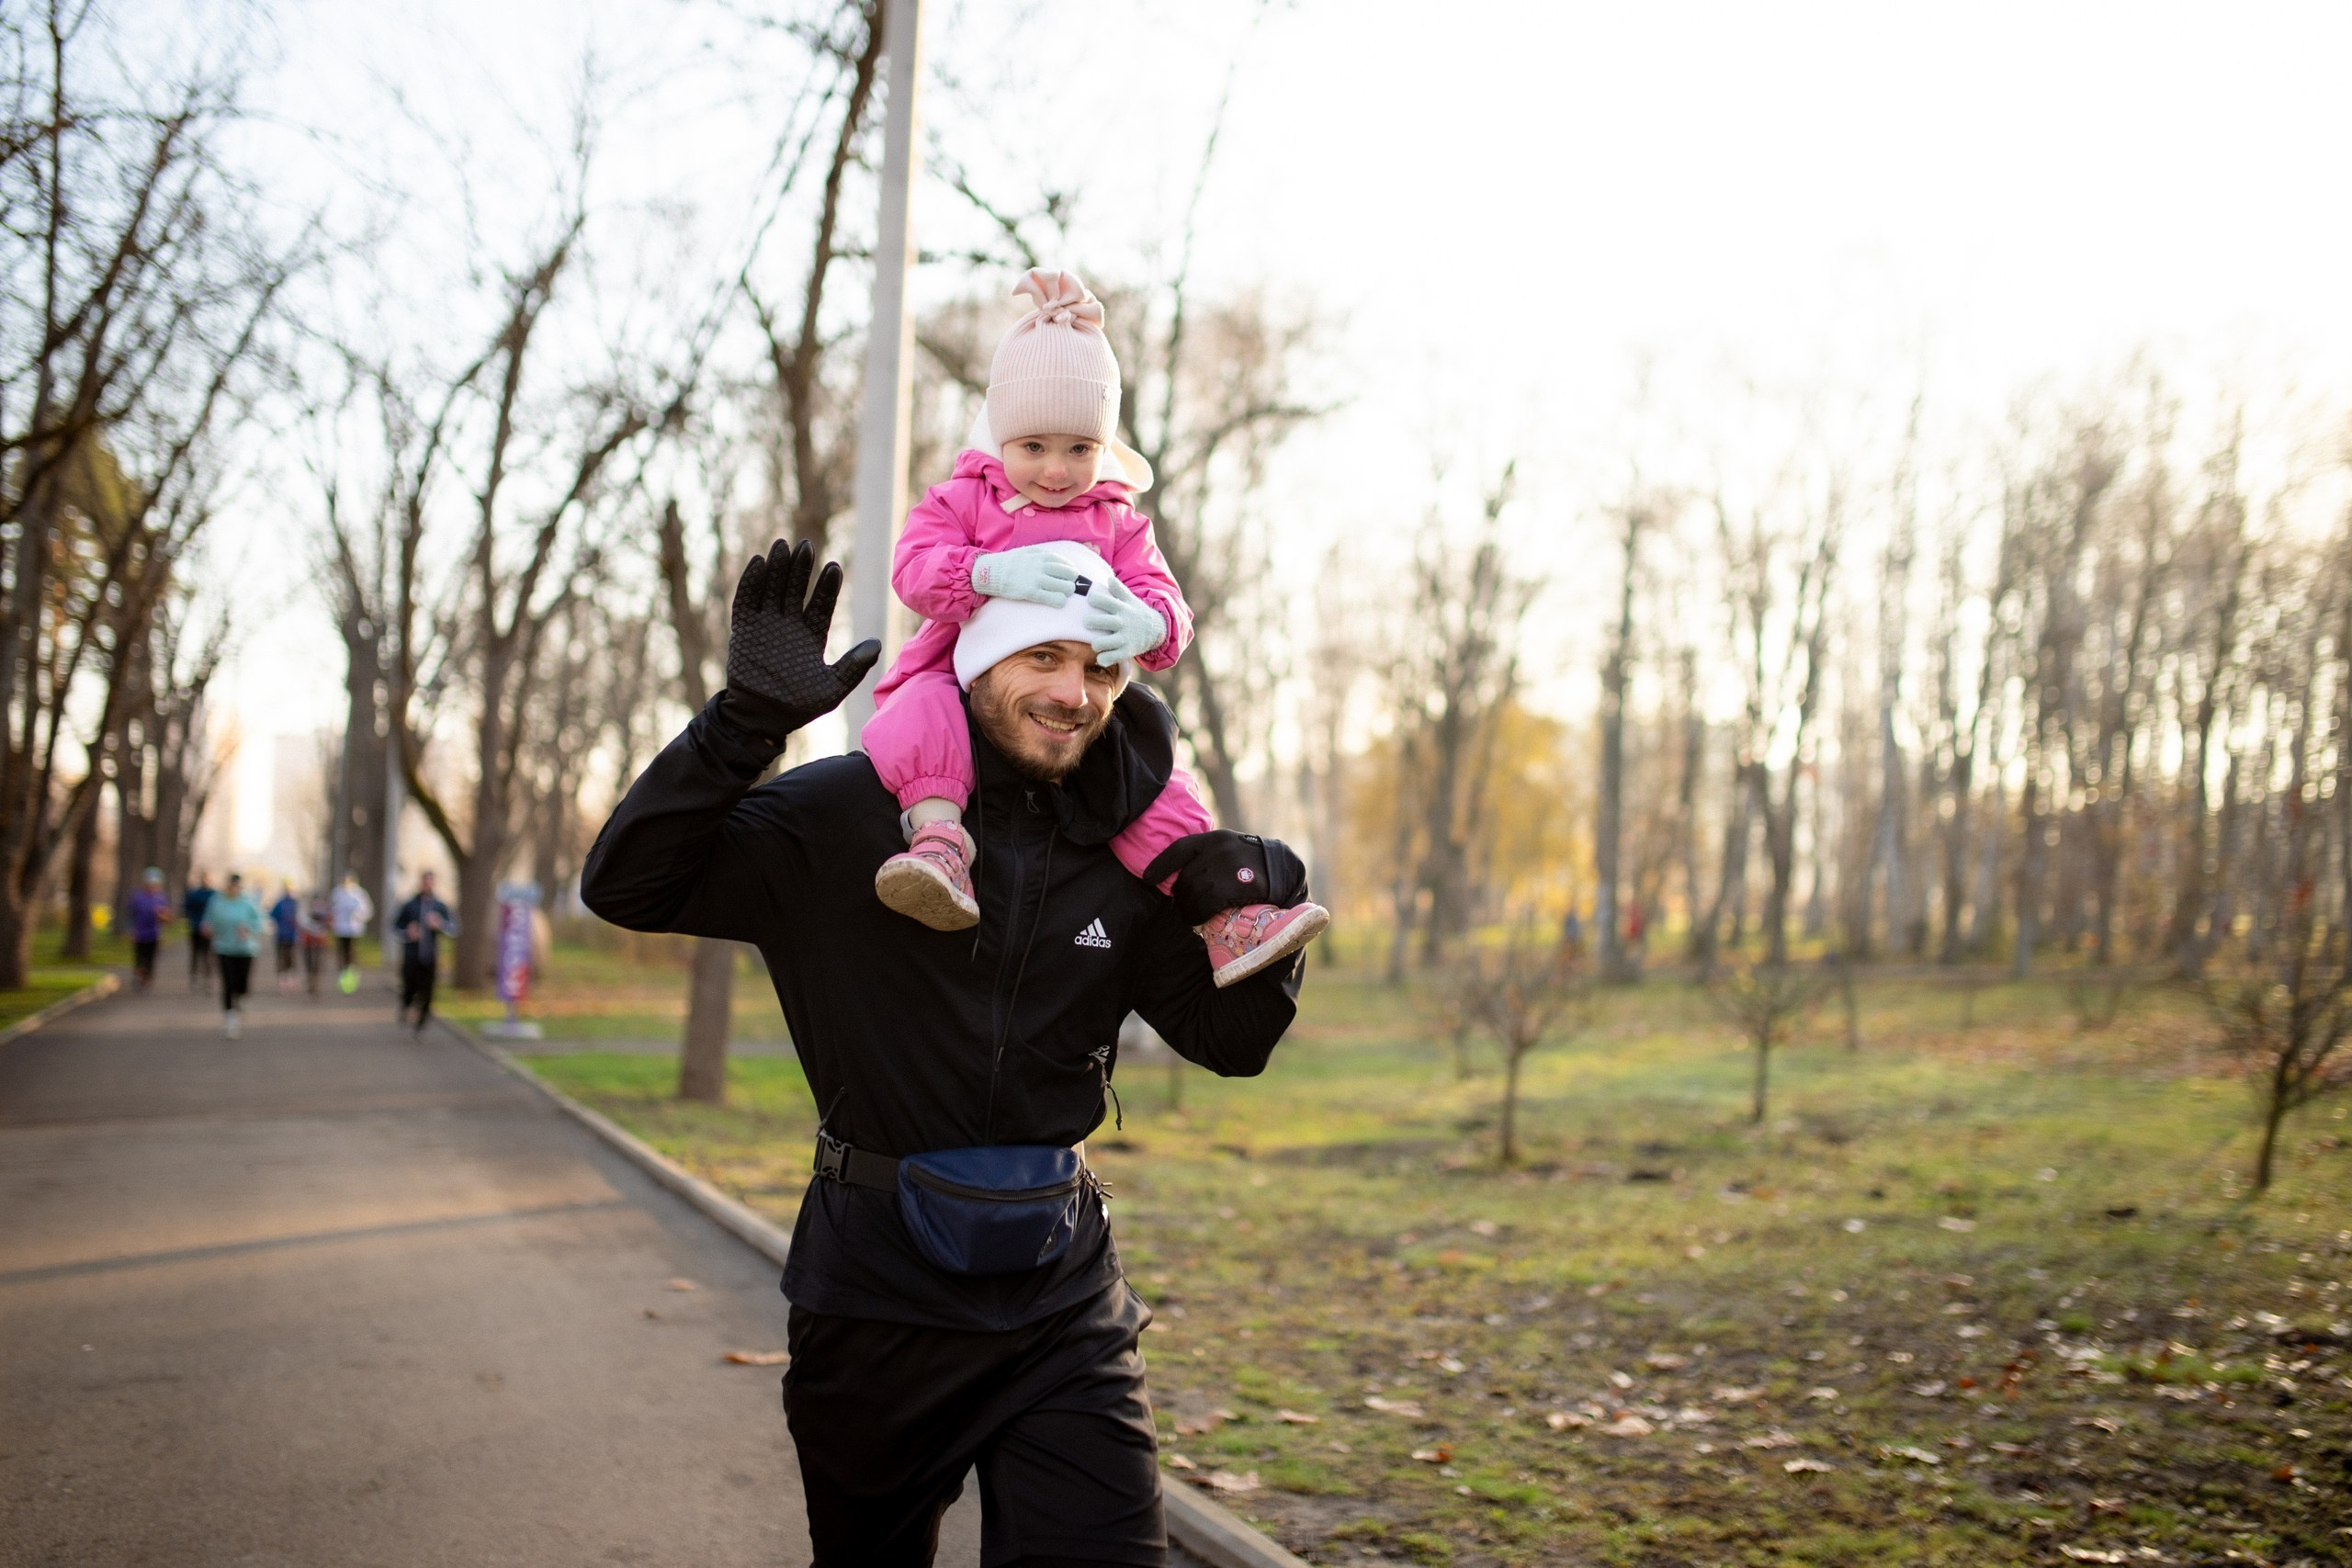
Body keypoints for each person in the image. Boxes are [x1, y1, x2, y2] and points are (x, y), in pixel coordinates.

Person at [582, 541, 1312, 1564]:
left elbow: (1229, 1044)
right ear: (975, 661)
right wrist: (739, 726)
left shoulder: (1125, 845)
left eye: (1099, 668)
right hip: (875, 1297)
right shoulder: (846, 814)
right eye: (1042, 659)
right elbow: (628, 885)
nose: (1074, 692)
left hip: (1062, 1300)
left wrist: (1266, 908)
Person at [860, 268, 1326, 988]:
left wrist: (1150, 620)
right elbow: (912, 567)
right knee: (921, 715)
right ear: (1003, 435)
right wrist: (982, 573)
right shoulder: (962, 499)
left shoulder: (1115, 518)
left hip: (1078, 687)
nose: (1056, 470)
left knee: (1146, 776)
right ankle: (940, 843)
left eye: (1080, 449)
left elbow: (1167, 606)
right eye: (1035, 447)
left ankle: (1224, 913)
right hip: (962, 667)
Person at [198, 872, 265, 1038]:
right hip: (223, 948)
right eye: (230, 885)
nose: (233, 889)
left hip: (245, 949)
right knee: (228, 982)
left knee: (242, 983)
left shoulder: (248, 902)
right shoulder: (217, 902)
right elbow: (208, 920)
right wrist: (207, 927)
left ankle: (240, 999)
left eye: (236, 886)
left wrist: (249, 928)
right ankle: (230, 1018)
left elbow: (260, 923)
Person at [393, 872, 457, 1032]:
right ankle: (406, 1006)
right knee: (410, 986)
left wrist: (440, 925)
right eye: (425, 882)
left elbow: (454, 929)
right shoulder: (409, 905)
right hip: (412, 955)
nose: (427, 885)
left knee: (428, 990)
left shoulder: (439, 906)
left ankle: (422, 1021)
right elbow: (395, 927)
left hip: (431, 955)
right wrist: (408, 933)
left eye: (430, 882)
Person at [127, 867, 172, 990]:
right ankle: (139, 976)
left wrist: (163, 915)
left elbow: (168, 919)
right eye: (150, 883)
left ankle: (146, 980)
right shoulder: (137, 897)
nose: (152, 886)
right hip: (140, 933)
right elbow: (130, 914)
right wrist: (130, 930)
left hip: (154, 934)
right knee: (139, 958)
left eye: (155, 884)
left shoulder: (161, 898)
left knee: (150, 959)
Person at [328, 873, 374, 993]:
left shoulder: (359, 894)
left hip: (354, 929)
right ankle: (343, 978)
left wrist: (357, 915)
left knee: (352, 954)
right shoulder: (337, 893)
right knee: (342, 954)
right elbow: (332, 909)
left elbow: (368, 911)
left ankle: (352, 977)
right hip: (340, 929)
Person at [183, 871, 216, 987]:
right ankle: (194, 976)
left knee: (208, 954)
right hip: (195, 927)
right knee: (195, 953)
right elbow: (187, 909)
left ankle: (208, 977)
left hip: (209, 929)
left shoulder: (214, 894)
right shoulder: (194, 894)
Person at [298, 888, 331, 996]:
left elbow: (328, 920)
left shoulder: (324, 907)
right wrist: (310, 927)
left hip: (320, 939)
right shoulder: (306, 907)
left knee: (318, 961)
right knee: (309, 961)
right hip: (308, 939)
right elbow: (301, 920)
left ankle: (315, 982)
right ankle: (311, 979)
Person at [269, 883, 301, 993]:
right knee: (288, 959)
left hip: (287, 936)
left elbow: (272, 916)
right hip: (285, 936)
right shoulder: (293, 903)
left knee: (285, 959)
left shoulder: (284, 903)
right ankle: (287, 980)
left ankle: (286, 981)